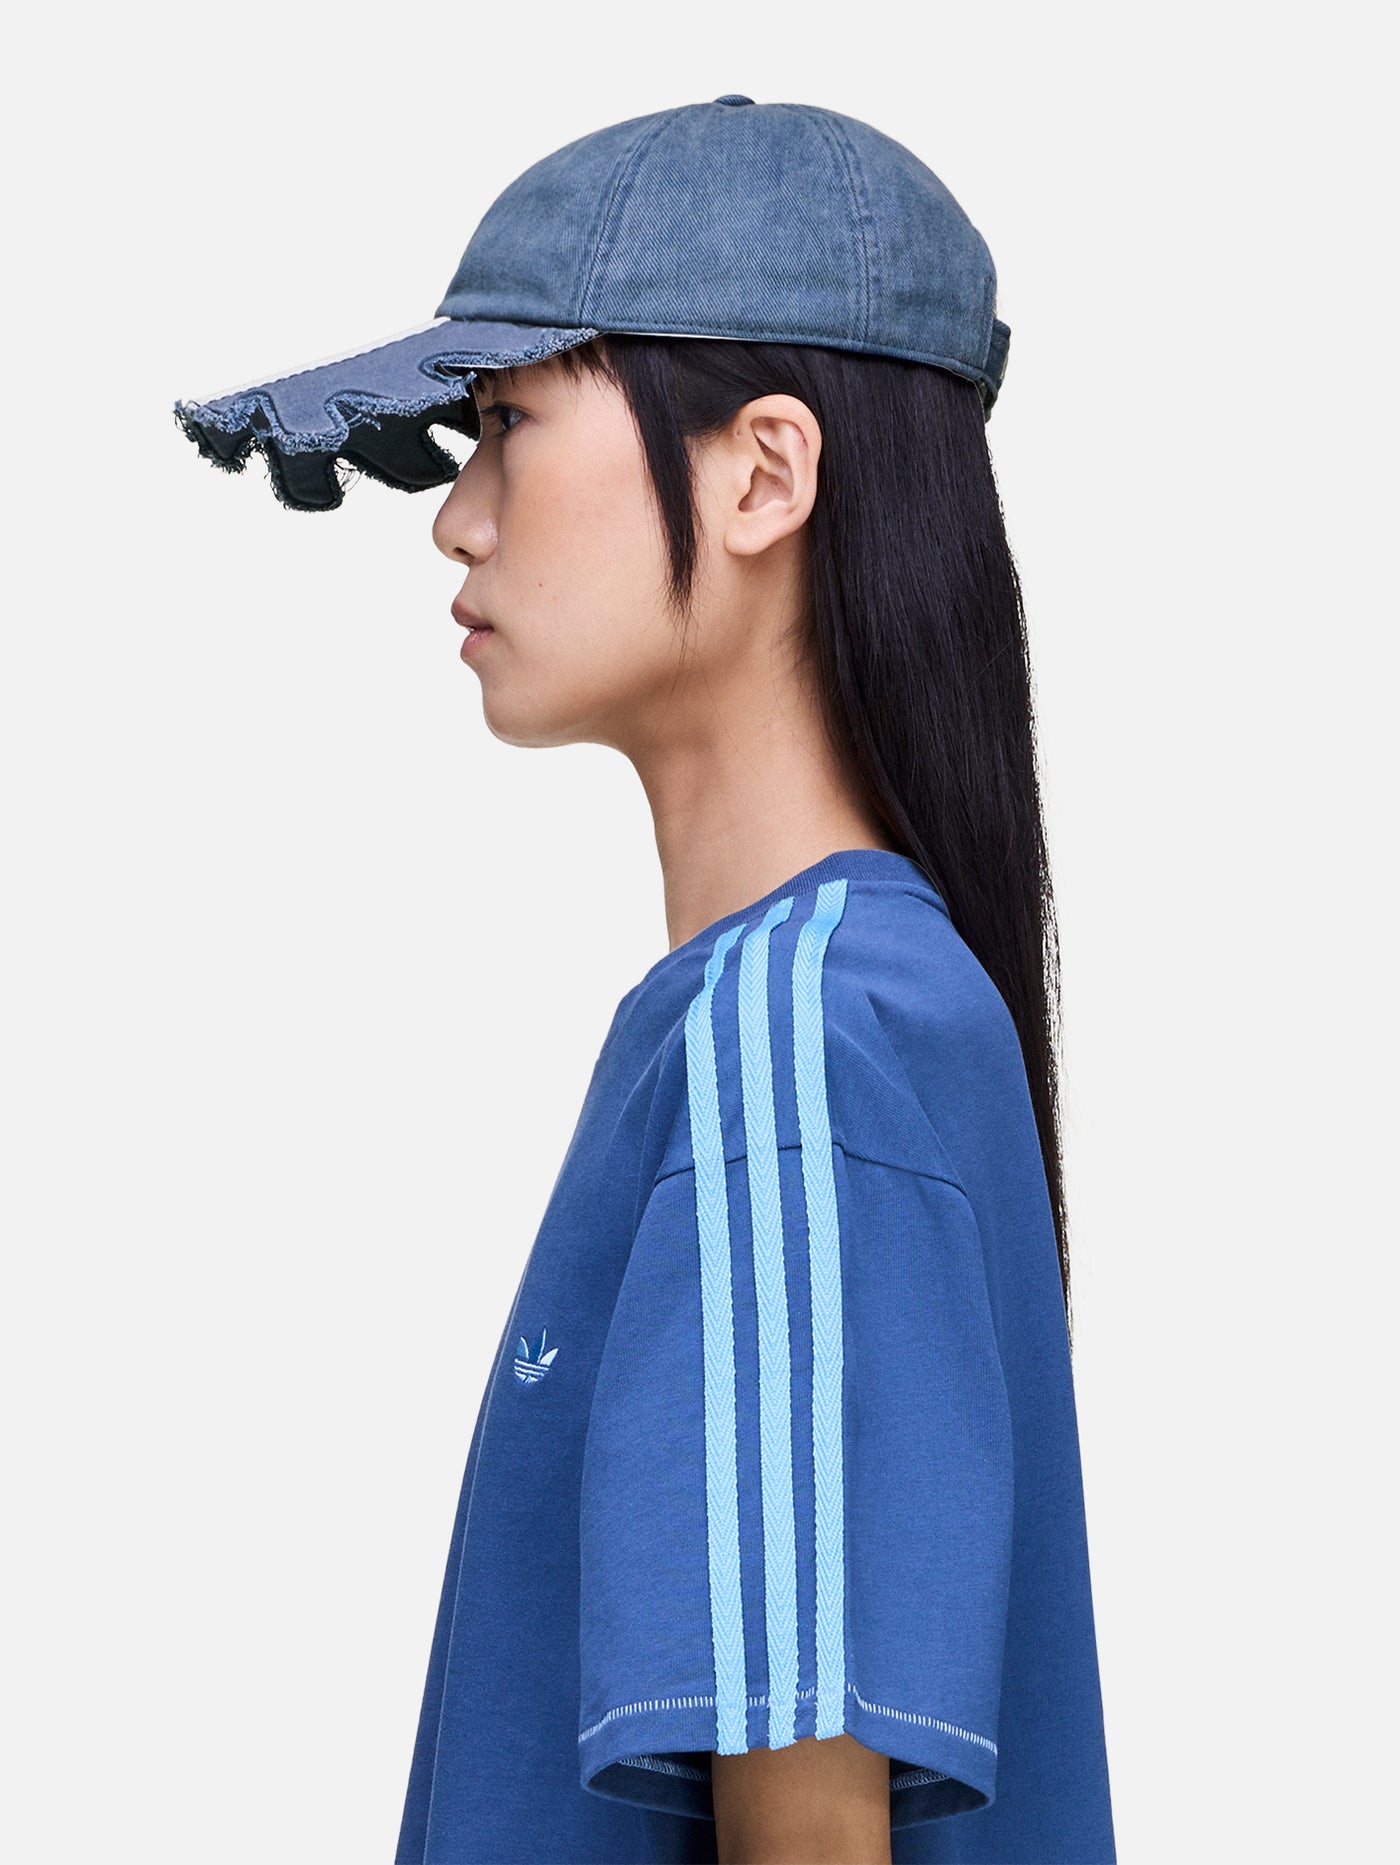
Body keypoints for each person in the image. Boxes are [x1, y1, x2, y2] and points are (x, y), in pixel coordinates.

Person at [176, 96, 1115, 1865]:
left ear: (763, 474)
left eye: (507, 424)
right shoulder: (846, 1008)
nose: (457, 521)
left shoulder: (796, 1037)